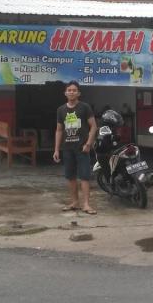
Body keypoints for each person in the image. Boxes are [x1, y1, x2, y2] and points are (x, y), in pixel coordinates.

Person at [53, 81, 98, 215]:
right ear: (65, 93)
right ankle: (74, 202)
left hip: (82, 148)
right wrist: (56, 149)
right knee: (70, 176)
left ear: (78, 93)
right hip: (67, 148)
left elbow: (93, 126)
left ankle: (86, 204)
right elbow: (59, 130)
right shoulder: (61, 110)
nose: (71, 92)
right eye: (69, 90)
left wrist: (88, 143)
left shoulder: (85, 107)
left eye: (74, 90)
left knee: (84, 176)